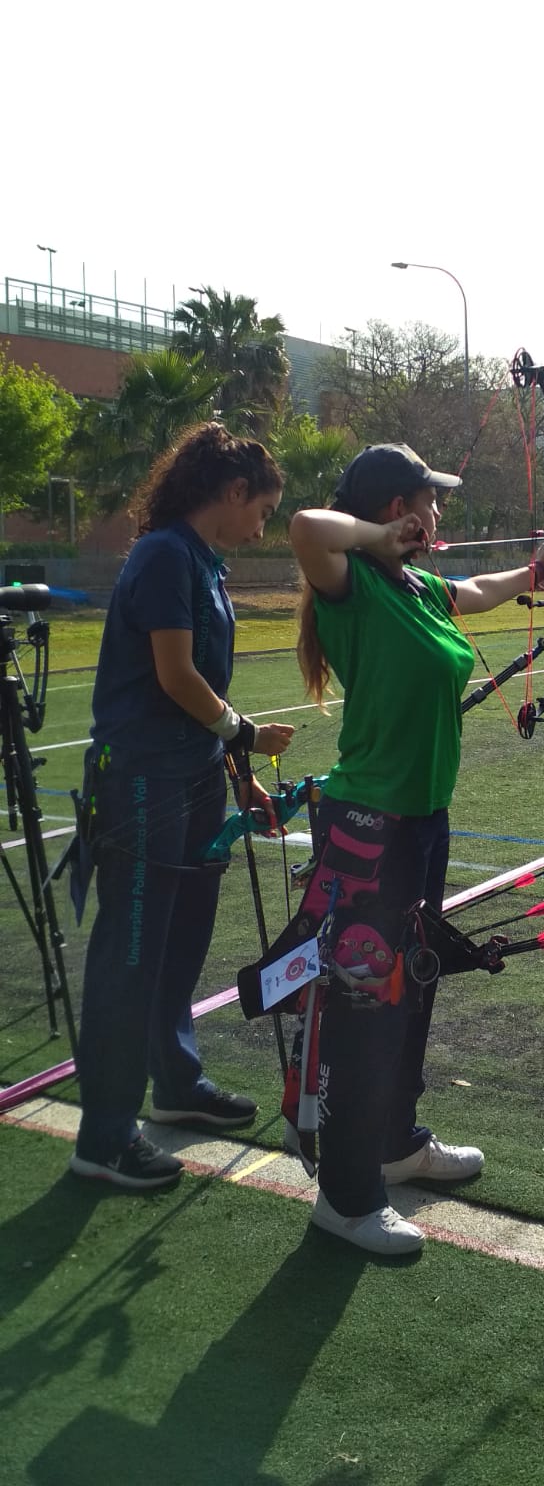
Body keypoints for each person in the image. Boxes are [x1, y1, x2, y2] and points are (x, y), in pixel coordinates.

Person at [288, 441, 544, 1255]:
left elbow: (474, 590)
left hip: (421, 824)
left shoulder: (414, 586)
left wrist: (530, 574)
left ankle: (396, 1143)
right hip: (368, 830)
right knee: (366, 1006)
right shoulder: (352, 583)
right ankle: (345, 1196)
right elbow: (305, 526)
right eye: (424, 502)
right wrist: (379, 538)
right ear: (390, 509)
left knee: (411, 989)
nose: (436, 515)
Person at [70, 423, 294, 1193]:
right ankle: (103, 1137)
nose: (262, 526)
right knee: (128, 962)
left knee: (177, 949)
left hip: (191, 782)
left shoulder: (204, 561)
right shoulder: (165, 553)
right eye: (260, 509)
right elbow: (175, 677)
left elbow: (206, 688)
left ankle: (175, 1085)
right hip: (142, 785)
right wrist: (248, 735)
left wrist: (239, 776)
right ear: (230, 494)